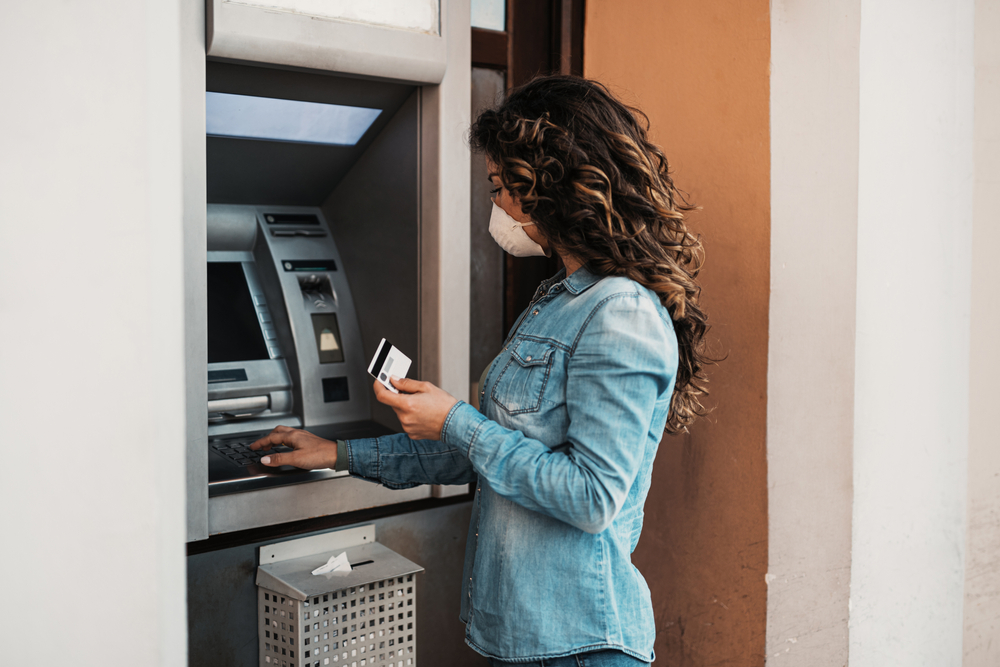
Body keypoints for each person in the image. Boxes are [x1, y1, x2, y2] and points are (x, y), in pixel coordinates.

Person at [250, 75, 710, 667]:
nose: (495, 206)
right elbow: (482, 456)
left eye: (499, 187)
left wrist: (456, 420)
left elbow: (591, 496)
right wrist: (336, 454)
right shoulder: (559, 301)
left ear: (549, 185)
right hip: (526, 639)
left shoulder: (618, 312)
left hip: (580, 645)